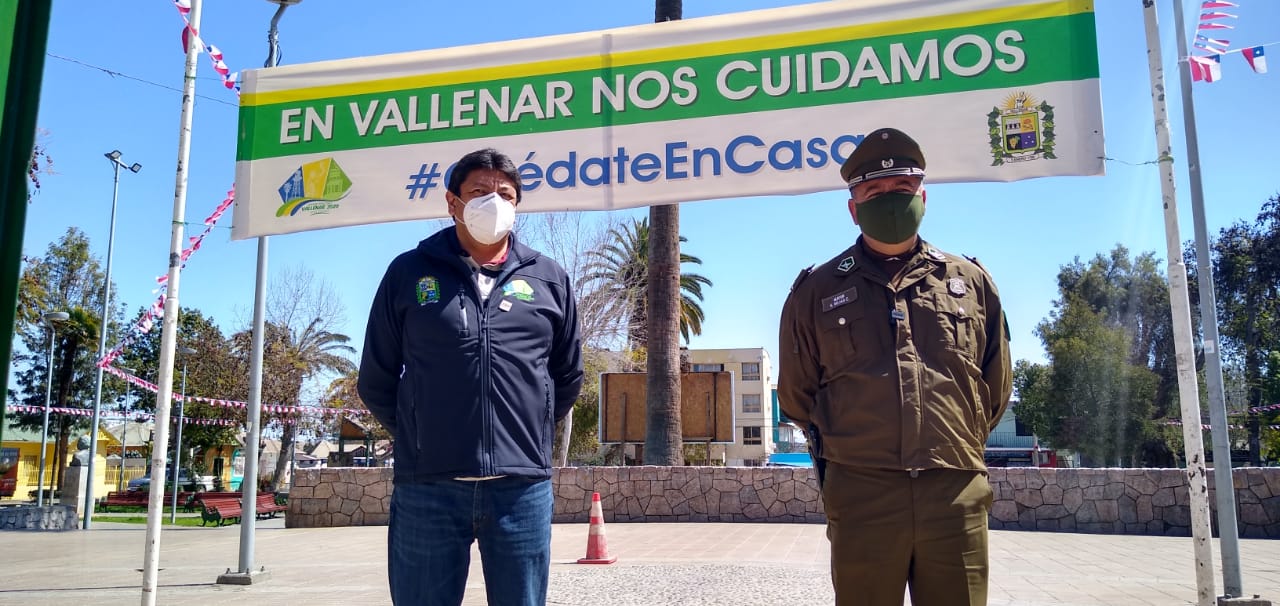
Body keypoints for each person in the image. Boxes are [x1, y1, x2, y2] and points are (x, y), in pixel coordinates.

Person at [777, 127, 1012, 606]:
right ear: (853, 208)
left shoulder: (970, 282)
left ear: (922, 197)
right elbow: (798, 395)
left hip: (954, 488)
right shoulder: (817, 291)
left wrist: (948, 440)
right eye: (875, 192)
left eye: (902, 188)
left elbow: (995, 384)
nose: (890, 199)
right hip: (863, 490)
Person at [358, 148, 584, 606]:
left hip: (521, 490)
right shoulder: (408, 273)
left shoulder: (550, 279)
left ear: (517, 205)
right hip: (428, 490)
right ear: (452, 202)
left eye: (505, 195)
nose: (493, 202)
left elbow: (567, 375)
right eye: (479, 191)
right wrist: (424, 435)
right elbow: (376, 378)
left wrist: (529, 432)